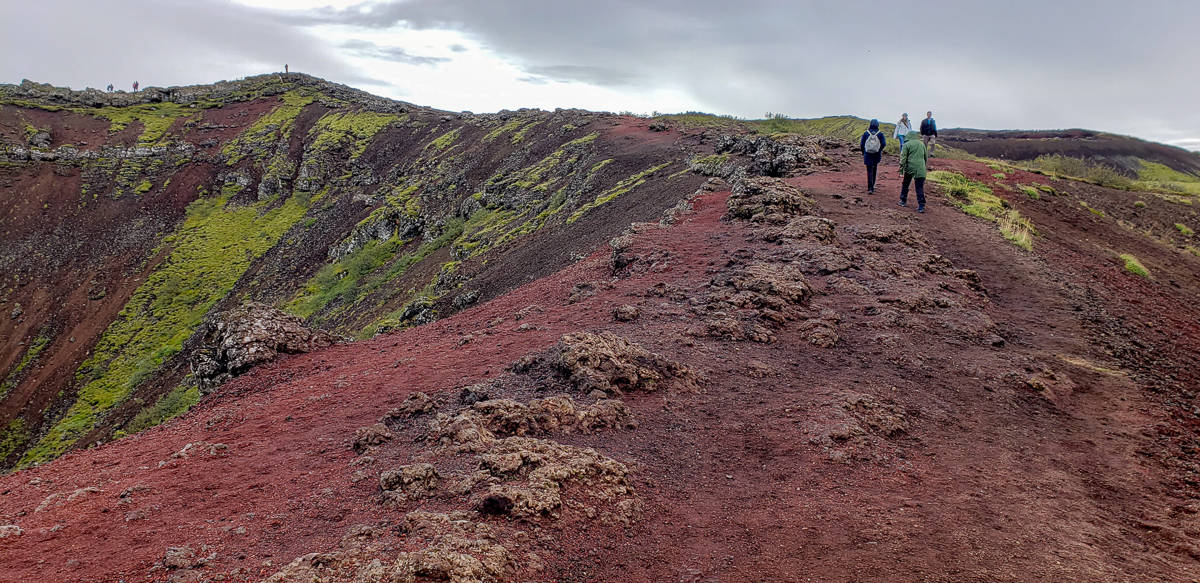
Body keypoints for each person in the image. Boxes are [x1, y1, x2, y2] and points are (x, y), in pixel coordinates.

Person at [899, 130, 927, 213]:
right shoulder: (922, 144)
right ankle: (921, 206)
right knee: (919, 187)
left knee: (905, 184)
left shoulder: (906, 145)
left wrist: (901, 170)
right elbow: (925, 157)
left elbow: (903, 159)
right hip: (921, 168)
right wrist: (923, 166)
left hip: (910, 168)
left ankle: (903, 201)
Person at [859, 119, 886, 194]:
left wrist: (863, 152)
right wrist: (879, 150)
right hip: (876, 154)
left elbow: (861, 144)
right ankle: (873, 186)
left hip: (867, 154)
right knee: (874, 170)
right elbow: (883, 143)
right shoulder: (880, 134)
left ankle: (870, 188)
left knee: (869, 170)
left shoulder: (866, 133)